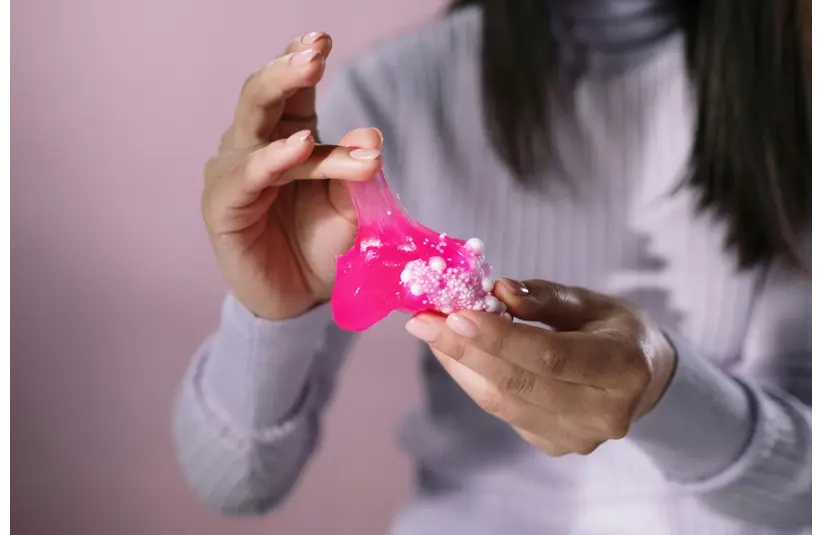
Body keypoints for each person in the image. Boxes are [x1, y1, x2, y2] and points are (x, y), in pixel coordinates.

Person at [173, 1, 816, 533]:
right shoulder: (402, 93)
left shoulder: (799, 87)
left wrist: (669, 398)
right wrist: (274, 315)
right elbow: (236, 481)